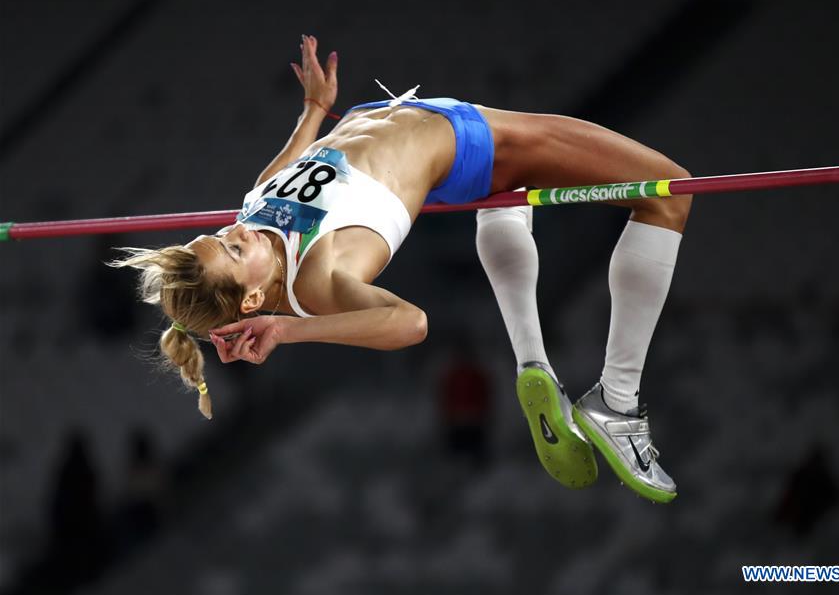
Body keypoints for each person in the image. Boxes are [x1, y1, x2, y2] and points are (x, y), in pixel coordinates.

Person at [112, 35, 691, 503]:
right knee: (670, 191)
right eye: (234, 251)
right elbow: (409, 323)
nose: (235, 231)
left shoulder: (256, 219)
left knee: (512, 194)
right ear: (252, 300)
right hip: (465, 142)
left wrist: (314, 110)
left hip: (399, 119)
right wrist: (289, 330)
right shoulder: (316, 279)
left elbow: (279, 174)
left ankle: (534, 360)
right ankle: (617, 401)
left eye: (219, 236)